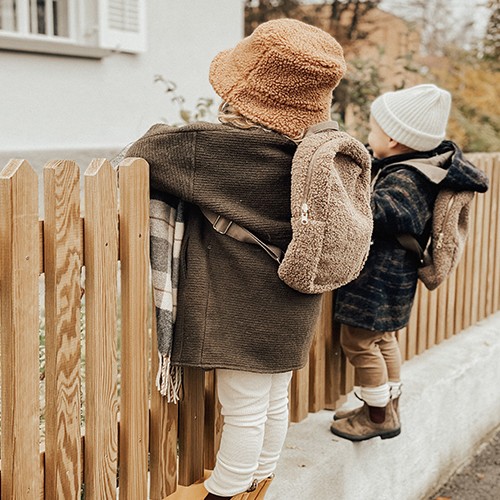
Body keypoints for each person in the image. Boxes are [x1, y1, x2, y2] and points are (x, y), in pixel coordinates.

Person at [127, 19, 347, 499]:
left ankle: (223, 493)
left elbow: (143, 151)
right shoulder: (314, 156)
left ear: (242, 94)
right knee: (271, 402)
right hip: (293, 306)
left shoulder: (218, 149)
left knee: (243, 411)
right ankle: (258, 483)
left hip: (243, 309)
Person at [330, 84, 489, 442]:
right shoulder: (416, 167)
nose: (369, 138)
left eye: (372, 131)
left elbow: (382, 212)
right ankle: (387, 405)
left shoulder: (408, 178)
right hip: (394, 276)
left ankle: (377, 416)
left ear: (396, 140)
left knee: (358, 342)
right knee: (383, 339)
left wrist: (347, 197)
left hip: (379, 278)